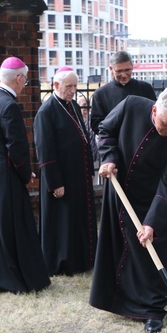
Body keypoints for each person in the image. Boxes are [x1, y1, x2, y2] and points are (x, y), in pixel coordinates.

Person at [89, 86, 167, 333]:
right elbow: (105, 130)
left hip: (156, 199)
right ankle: (117, 301)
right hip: (121, 189)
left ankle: (153, 310)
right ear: (155, 110)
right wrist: (109, 157)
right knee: (119, 247)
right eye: (166, 124)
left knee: (154, 252)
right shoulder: (130, 105)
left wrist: (152, 222)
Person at [0, 56, 51, 294]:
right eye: (26, 79)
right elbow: (17, 147)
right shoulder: (9, 105)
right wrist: (25, 173)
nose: (25, 84)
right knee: (15, 227)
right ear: (19, 78)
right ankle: (20, 278)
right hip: (7, 173)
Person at [34, 67, 98, 276]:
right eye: (68, 86)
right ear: (56, 85)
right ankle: (63, 263)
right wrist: (55, 183)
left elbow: (83, 139)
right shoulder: (47, 111)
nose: (73, 90)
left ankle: (83, 259)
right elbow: (45, 151)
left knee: (78, 219)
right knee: (63, 222)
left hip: (78, 175)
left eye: (75, 86)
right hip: (61, 178)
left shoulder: (73, 107)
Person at [90, 50, 157, 134]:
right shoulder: (100, 94)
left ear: (132, 67)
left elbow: (155, 115)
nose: (124, 75)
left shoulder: (145, 88)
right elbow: (96, 125)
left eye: (127, 70)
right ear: (111, 69)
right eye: (119, 71)